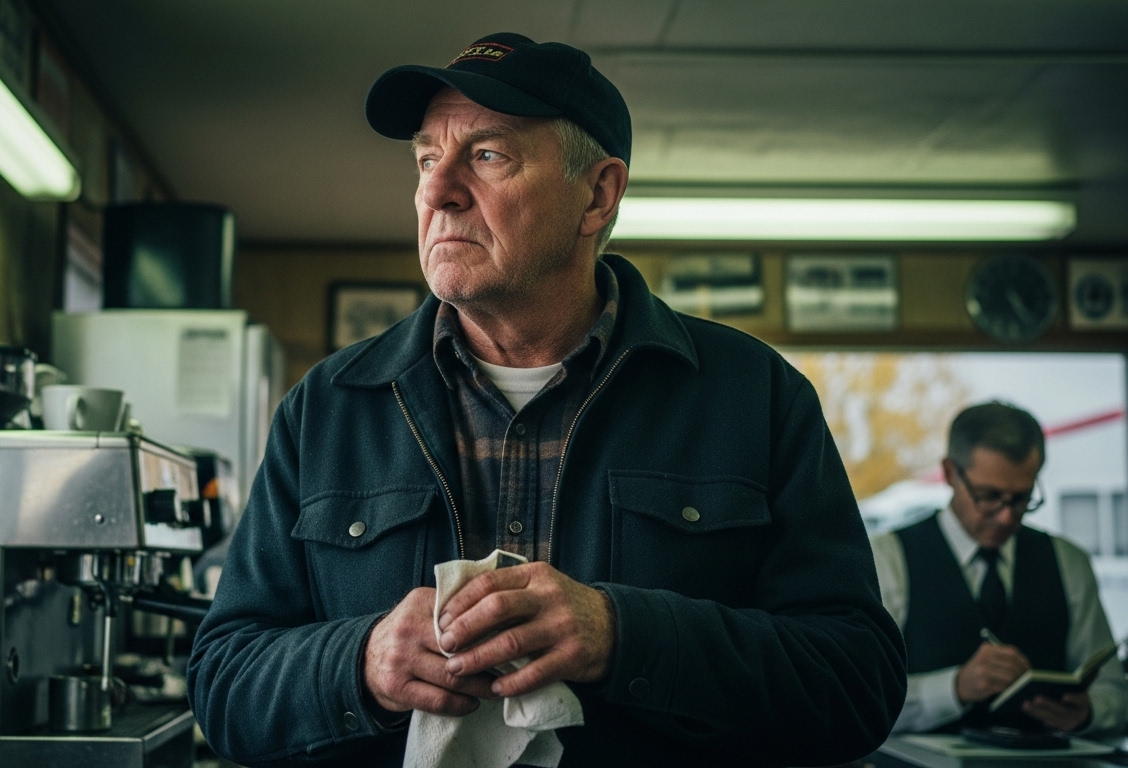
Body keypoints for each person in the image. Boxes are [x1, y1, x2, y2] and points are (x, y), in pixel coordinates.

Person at [187, 32, 905, 766]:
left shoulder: (755, 395)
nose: (438, 191)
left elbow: (857, 684)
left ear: (597, 194)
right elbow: (222, 683)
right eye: (427, 159)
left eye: (488, 155)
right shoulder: (328, 407)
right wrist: (361, 662)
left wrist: (626, 635)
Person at [872, 401, 1127, 734]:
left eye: (1021, 499)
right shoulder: (888, 558)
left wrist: (1089, 711)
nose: (1006, 516)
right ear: (950, 473)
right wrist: (954, 688)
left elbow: (1115, 692)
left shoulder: (1069, 562)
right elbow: (858, 699)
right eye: (988, 495)